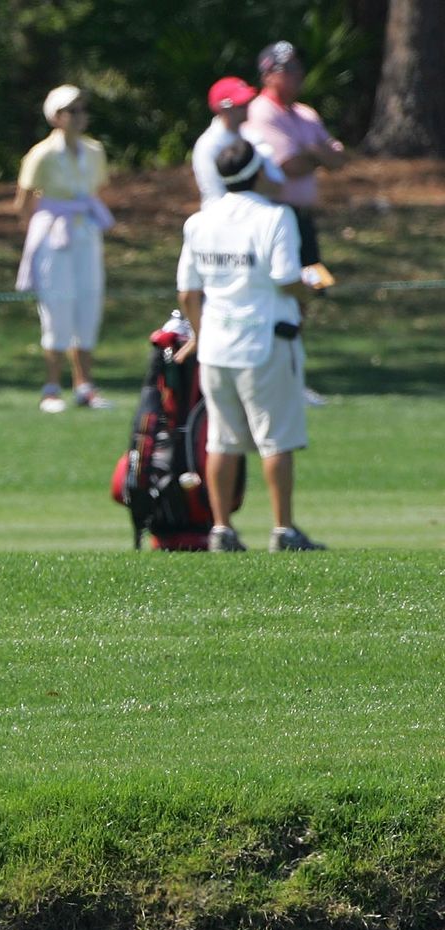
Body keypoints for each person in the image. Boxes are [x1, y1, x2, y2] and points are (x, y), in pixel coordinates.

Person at [174, 139, 325, 553]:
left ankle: (222, 529)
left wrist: (199, 334)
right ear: (258, 173)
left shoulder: (200, 221)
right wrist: (311, 290)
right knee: (276, 439)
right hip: (266, 342)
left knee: (221, 441)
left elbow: (188, 293)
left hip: (216, 347)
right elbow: (285, 279)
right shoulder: (276, 217)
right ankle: (284, 530)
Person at [242, 41, 347, 407]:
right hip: (275, 216)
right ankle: (275, 376)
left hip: (303, 219)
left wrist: (314, 155)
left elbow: (338, 158)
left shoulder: (305, 113)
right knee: (281, 293)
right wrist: (317, 154)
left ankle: (293, 375)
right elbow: (289, 165)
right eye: (288, 69)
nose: (297, 76)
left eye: (298, 69)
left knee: (308, 291)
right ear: (268, 74)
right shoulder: (261, 112)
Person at [14, 85, 114, 414]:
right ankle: (52, 387)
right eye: (71, 111)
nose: (79, 117)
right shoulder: (41, 154)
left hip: (85, 232)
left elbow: (97, 190)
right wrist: (38, 236)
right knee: (57, 307)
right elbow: (24, 202)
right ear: (56, 117)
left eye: (82, 110)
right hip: (53, 236)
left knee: (89, 302)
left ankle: (84, 385)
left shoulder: (95, 150)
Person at [191, 76, 286, 207]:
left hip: (259, 218)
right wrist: (256, 184)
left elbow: (278, 186)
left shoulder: (254, 137)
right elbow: (215, 194)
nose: (248, 106)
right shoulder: (208, 145)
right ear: (223, 108)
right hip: (221, 221)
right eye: (241, 104)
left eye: (248, 101)